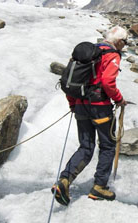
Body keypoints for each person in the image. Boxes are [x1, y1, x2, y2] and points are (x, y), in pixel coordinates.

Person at [52, 26, 128, 204]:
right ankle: (99, 187)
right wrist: (119, 99)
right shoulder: (112, 55)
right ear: (118, 41)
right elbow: (108, 82)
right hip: (100, 107)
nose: (125, 46)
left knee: (86, 147)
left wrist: (73, 104)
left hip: (80, 106)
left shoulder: (86, 53)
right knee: (108, 146)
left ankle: (64, 181)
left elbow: (70, 81)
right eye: (125, 42)